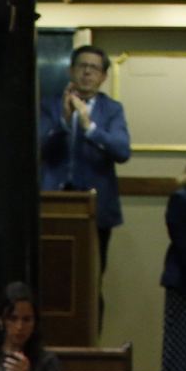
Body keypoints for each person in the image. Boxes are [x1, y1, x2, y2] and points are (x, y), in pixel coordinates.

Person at [41, 45, 131, 267]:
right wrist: (64, 121)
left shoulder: (112, 110)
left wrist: (90, 127)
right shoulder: (49, 105)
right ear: (71, 71)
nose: (87, 72)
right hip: (54, 202)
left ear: (103, 76)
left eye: (94, 68)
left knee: (93, 272)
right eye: (82, 66)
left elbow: (122, 151)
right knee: (51, 270)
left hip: (96, 206)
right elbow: (39, 147)